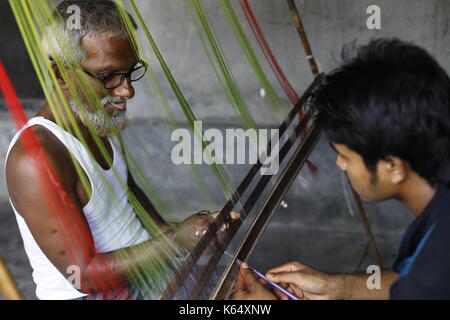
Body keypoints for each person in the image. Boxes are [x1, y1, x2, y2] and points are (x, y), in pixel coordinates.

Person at [5, 0, 238, 300]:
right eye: (109, 76)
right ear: (61, 74)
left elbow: (125, 189)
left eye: (130, 72)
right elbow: (83, 275)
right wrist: (175, 242)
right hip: (93, 294)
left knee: (259, 295)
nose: (127, 90)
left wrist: (176, 234)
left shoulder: (97, 116)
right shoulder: (36, 158)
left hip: (142, 272)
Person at [232, 38, 450, 300]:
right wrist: (339, 287)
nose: (340, 164)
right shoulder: (437, 227)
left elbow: (420, 286)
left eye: (346, 156)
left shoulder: (432, 271)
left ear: (393, 167)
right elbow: (407, 280)